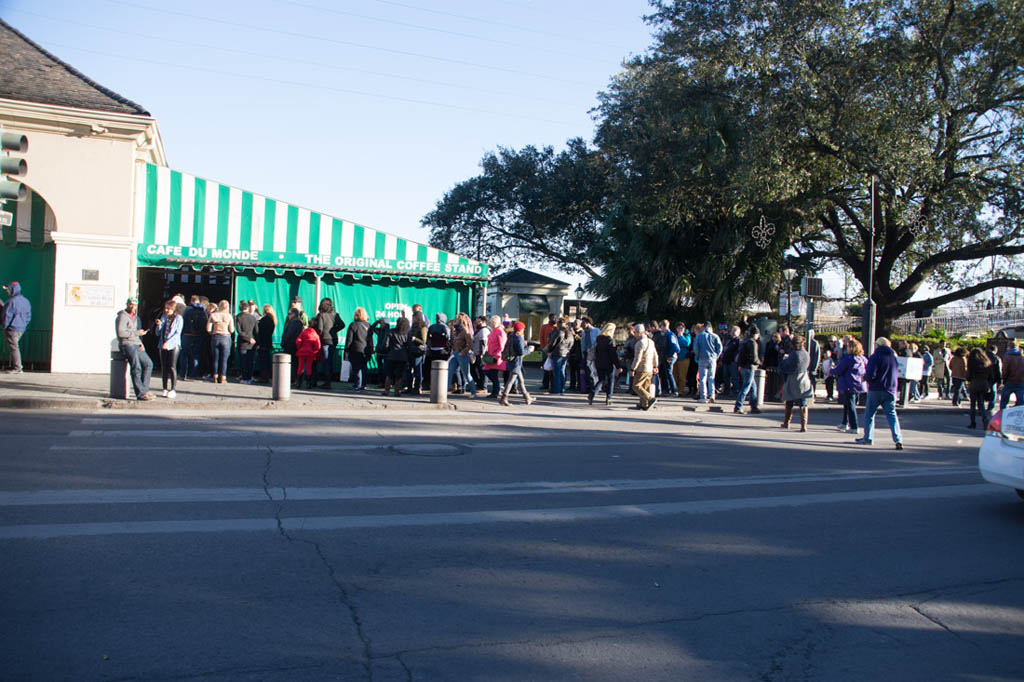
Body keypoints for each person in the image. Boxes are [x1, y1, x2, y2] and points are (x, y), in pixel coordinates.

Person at [855, 337, 904, 449]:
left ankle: (868, 437)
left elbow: (871, 373)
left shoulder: (875, 356)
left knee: (870, 414)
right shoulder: (893, 357)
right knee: (892, 415)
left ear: (878, 345)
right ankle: (898, 439)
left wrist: (866, 379)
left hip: (876, 389)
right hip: (890, 389)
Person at [115, 298, 154, 400]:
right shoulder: (122, 317)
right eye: (130, 305)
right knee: (137, 367)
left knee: (148, 363)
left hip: (135, 344)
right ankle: (140, 394)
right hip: (127, 344)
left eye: (134, 305)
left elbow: (135, 334)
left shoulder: (135, 318)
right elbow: (121, 333)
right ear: (127, 304)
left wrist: (140, 342)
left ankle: (144, 390)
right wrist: (137, 333)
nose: (132, 307)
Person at [831, 338, 867, 432]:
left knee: (850, 405)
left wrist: (831, 370)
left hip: (848, 383)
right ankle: (845, 423)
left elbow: (839, 370)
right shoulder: (862, 359)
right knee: (849, 404)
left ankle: (854, 426)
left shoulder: (848, 358)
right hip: (858, 383)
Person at [779, 334, 813, 431]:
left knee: (790, 400)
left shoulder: (794, 354)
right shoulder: (806, 353)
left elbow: (786, 367)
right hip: (804, 378)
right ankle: (804, 425)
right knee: (803, 402)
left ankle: (787, 422)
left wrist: (784, 361)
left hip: (793, 379)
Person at [498, 322, 534, 406]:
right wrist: (529, 350)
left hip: (511, 360)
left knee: (521, 380)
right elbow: (520, 352)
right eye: (523, 329)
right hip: (516, 362)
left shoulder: (512, 335)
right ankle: (504, 398)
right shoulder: (519, 338)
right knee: (511, 381)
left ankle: (527, 397)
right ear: (521, 329)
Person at [310, 298, 343, 390]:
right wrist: (334, 330)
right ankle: (328, 382)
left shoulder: (322, 315)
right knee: (330, 361)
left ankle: (327, 383)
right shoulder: (335, 314)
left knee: (326, 361)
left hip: (325, 339)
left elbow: (320, 329)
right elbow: (342, 325)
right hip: (334, 339)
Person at [153, 299, 183, 399]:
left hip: (173, 345)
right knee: (164, 367)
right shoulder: (164, 317)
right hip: (162, 345)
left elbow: (177, 334)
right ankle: (164, 388)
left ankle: (173, 389)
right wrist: (159, 325)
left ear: (174, 309)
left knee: (172, 366)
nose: (166, 310)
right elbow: (158, 333)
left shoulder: (179, 318)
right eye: (165, 308)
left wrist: (168, 343)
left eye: (168, 308)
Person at [2, 281, 31, 373]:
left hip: (12, 328)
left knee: (14, 348)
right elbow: (28, 316)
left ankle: (18, 367)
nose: (7, 292)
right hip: (21, 328)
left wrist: (5, 326)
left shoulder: (11, 302)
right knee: (15, 347)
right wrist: (24, 324)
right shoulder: (25, 301)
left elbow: (6, 316)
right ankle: (17, 367)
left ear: (12, 290)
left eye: (8, 290)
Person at [733, 326, 762, 414]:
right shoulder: (753, 343)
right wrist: (759, 362)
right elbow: (754, 357)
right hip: (750, 367)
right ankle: (738, 406)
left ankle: (754, 406)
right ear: (756, 334)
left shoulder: (744, 341)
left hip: (743, 366)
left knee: (753, 387)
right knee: (746, 387)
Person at [179, 295, 208, 381]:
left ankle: (183, 373)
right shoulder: (203, 309)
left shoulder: (188, 309)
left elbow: (183, 321)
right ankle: (193, 373)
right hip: (199, 335)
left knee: (184, 354)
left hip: (187, 334)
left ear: (191, 301)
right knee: (195, 355)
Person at [589, 322, 619, 406]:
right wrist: (618, 365)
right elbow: (613, 355)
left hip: (599, 362)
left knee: (601, 379)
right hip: (609, 363)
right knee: (610, 380)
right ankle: (609, 398)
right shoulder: (610, 340)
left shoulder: (598, 339)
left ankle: (592, 393)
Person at [693, 321, 723, 403]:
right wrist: (716, 356)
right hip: (712, 359)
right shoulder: (715, 336)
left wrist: (698, 356)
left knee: (702, 378)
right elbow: (720, 348)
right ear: (710, 327)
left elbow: (696, 348)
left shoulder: (699, 336)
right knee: (711, 378)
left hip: (702, 358)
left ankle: (703, 396)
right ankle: (712, 395)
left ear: (704, 327)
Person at [206, 300, 235, 384]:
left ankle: (215, 376)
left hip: (215, 337)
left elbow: (208, 329)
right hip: (225, 337)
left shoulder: (213, 315)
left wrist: (212, 333)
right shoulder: (229, 316)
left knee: (215, 359)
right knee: (224, 359)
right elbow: (232, 330)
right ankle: (223, 377)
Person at [630, 323, 659, 410]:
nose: (634, 334)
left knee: (636, 386)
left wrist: (632, 368)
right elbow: (655, 355)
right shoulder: (651, 341)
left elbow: (637, 358)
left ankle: (650, 398)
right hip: (649, 368)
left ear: (639, 332)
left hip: (642, 368)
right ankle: (644, 404)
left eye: (635, 332)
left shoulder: (639, 343)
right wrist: (655, 366)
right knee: (645, 387)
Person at [343, 307, 370, 392]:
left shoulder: (353, 325)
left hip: (355, 349)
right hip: (366, 350)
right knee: (364, 367)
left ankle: (357, 385)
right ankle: (364, 385)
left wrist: (346, 350)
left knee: (356, 368)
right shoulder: (368, 325)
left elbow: (349, 340)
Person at [965, 347, 993, 429]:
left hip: (974, 384)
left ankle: (973, 422)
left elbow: (968, 376)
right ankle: (985, 419)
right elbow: (991, 376)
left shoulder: (972, 363)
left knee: (973, 404)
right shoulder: (987, 363)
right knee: (981, 404)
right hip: (984, 384)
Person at [382, 316, 410, 396]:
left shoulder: (391, 332)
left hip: (392, 355)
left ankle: (386, 390)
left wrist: (388, 350)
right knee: (399, 375)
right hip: (402, 356)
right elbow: (409, 345)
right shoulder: (407, 334)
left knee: (389, 373)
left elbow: (385, 345)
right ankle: (397, 391)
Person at [450, 315, 476, 397]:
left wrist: (464, 352)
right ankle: (442, 391)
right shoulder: (456, 331)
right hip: (455, 354)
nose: (454, 323)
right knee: (449, 372)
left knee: (467, 374)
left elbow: (471, 345)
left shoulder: (465, 331)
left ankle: (473, 392)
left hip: (462, 355)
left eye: (456, 321)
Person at [483, 314, 507, 399]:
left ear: (498, 322)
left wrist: (497, 356)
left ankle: (495, 392)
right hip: (490, 355)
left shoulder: (500, 332)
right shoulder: (493, 331)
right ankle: (496, 390)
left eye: (494, 322)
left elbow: (502, 346)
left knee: (493, 374)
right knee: (487, 372)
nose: (492, 324)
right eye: (491, 322)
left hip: (496, 356)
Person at [405, 311, 428, 395]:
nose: (413, 319)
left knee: (417, 370)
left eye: (414, 318)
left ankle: (417, 387)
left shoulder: (423, 327)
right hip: (410, 350)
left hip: (417, 351)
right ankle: (409, 387)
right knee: (408, 370)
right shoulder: (412, 327)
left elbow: (423, 341)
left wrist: (415, 339)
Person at [235, 301, 258, 385]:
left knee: (243, 361)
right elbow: (256, 331)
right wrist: (254, 340)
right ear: (247, 308)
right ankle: (249, 378)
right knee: (250, 361)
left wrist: (247, 338)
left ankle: (244, 378)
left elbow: (239, 331)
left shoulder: (238, 317)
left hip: (243, 342)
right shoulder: (253, 318)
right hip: (252, 342)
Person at [294, 317, 321, 389]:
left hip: (302, 352)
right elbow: (318, 345)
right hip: (310, 353)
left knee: (300, 367)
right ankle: (308, 383)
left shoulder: (303, 332)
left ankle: (298, 383)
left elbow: (298, 341)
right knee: (309, 368)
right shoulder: (315, 334)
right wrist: (314, 351)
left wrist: (300, 348)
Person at [255, 304, 277, 384]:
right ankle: (266, 376)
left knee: (263, 360)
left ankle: (263, 377)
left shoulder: (264, 320)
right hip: (268, 342)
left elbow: (259, 332)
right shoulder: (273, 320)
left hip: (263, 342)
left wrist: (258, 342)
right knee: (267, 360)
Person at [1001, 340, 1024, 409]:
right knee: (1021, 402)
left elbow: (1005, 370)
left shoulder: (1007, 357)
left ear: (1009, 347)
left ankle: (1002, 415)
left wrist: (1004, 379)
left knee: (1004, 401)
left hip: (1009, 381)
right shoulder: (1022, 357)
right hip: (1021, 382)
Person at [673, 322, 691, 396]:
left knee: (682, 375)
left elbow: (687, 344)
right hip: (675, 358)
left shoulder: (687, 335)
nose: (680, 329)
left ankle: (681, 390)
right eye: (679, 328)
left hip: (684, 358)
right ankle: (675, 389)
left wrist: (681, 336)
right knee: (675, 375)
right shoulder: (674, 336)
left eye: (682, 328)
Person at [985, 344, 1002, 413]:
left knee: (982, 393)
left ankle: (981, 407)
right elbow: (998, 370)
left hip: (983, 377)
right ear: (995, 350)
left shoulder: (983, 357)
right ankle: (990, 408)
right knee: (993, 393)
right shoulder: (996, 358)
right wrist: (999, 380)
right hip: (992, 378)